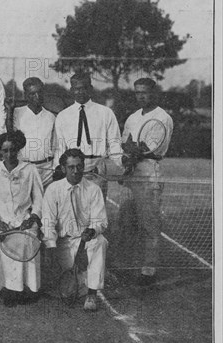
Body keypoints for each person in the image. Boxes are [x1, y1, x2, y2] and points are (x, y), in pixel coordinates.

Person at [121, 78, 174, 286]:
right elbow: (127, 144)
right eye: (137, 92)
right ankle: (132, 265)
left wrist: (134, 149)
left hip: (150, 172)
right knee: (128, 222)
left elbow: (147, 149)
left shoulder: (163, 118)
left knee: (149, 224)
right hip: (132, 173)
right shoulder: (133, 117)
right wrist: (130, 154)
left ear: (154, 93)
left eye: (145, 92)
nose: (141, 96)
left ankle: (149, 271)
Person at [42, 149, 108, 311]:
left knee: (100, 241)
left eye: (79, 166)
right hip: (63, 244)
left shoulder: (94, 189)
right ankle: (80, 279)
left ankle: (91, 295)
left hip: (86, 242)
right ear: (63, 169)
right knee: (65, 288)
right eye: (71, 167)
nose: (76, 171)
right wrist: (51, 249)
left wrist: (92, 231)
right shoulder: (53, 189)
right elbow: (48, 222)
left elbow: (100, 221)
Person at [0, 131, 44, 307]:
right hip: (1, 220)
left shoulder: (30, 170)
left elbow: (39, 199)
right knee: (1, 244)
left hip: (24, 219)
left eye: (13, 150)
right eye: (5, 151)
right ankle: (8, 289)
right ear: (0, 152)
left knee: (27, 242)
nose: (9, 155)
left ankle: (28, 288)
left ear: (18, 150)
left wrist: (33, 217)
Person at [53, 73, 122, 195]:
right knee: (72, 211)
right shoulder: (63, 116)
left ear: (90, 88)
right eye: (76, 89)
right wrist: (57, 169)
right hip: (72, 170)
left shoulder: (105, 113)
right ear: (71, 90)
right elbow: (60, 148)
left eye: (84, 88)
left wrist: (121, 165)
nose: (80, 92)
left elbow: (114, 143)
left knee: (97, 212)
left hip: (97, 171)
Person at [12, 77, 56, 188]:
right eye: (32, 94)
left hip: (47, 170)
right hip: (24, 168)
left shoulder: (51, 117)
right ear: (26, 95)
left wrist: (55, 168)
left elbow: (56, 146)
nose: (37, 97)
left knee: (46, 204)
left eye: (39, 92)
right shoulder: (16, 113)